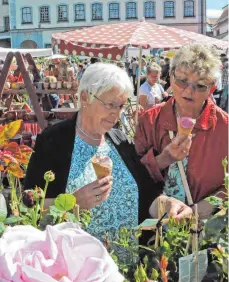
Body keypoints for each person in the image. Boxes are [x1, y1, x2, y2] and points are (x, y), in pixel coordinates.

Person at [25, 63, 192, 257]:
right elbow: (30, 206)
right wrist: (73, 202)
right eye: (110, 104)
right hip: (76, 269)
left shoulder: (119, 140)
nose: (116, 113)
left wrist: (169, 205)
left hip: (128, 269)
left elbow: (147, 196)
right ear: (85, 97)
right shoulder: (54, 140)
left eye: (121, 106)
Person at [135, 43, 228, 219]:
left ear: (212, 88)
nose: (188, 90)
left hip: (207, 230)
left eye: (200, 85)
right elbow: (133, 175)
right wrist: (163, 159)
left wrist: (196, 212)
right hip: (155, 229)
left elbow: (227, 188)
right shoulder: (149, 120)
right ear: (171, 77)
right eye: (182, 81)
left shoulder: (224, 128)